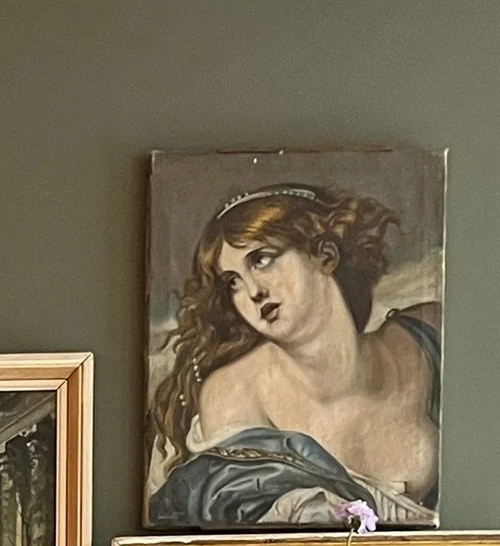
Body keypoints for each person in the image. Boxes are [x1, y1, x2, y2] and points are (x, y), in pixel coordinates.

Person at [147, 183, 441, 528]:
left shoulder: (426, 335)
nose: (253, 292)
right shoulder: (234, 395)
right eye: (233, 282)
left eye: (262, 259)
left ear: (324, 256)